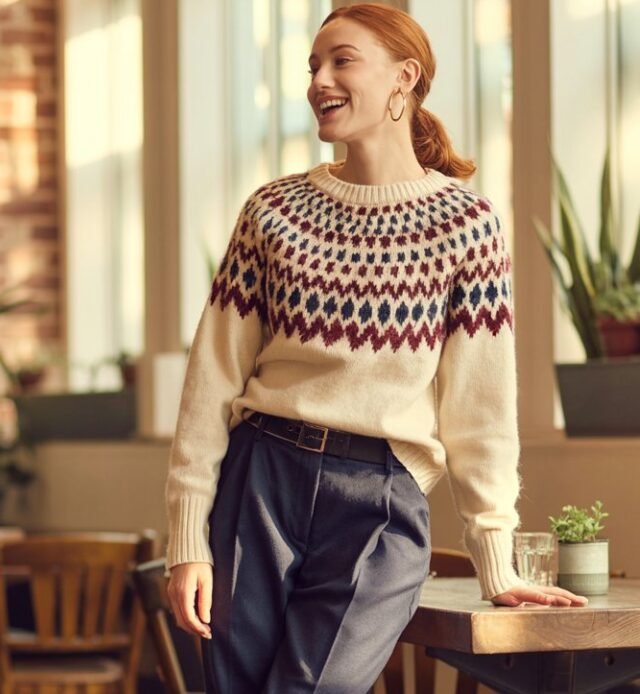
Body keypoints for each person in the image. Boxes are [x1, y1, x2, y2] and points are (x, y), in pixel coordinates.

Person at [164, 4, 587, 692]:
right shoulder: (272, 211)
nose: (319, 80)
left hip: (381, 499)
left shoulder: (465, 224)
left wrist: (495, 557)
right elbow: (209, 382)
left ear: (404, 78)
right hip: (260, 479)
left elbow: (480, 407)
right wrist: (187, 540)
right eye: (313, 65)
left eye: (342, 60)